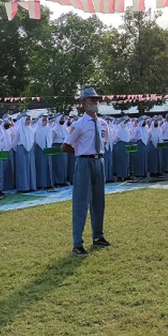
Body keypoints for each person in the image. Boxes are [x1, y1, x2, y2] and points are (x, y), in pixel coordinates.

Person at [62, 87, 110, 257]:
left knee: (99, 201)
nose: (95, 103)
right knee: (81, 202)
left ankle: (98, 236)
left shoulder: (103, 123)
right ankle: (77, 243)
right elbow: (65, 146)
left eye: (97, 100)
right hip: (84, 162)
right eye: (91, 101)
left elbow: (104, 141)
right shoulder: (78, 125)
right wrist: (80, 153)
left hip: (99, 161)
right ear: (83, 104)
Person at [12, 113, 37, 192]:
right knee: (22, 169)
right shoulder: (19, 129)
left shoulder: (31, 129)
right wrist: (19, 150)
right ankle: (23, 187)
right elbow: (14, 143)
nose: (28, 121)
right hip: (21, 149)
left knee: (30, 168)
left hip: (30, 150)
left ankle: (31, 186)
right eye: (27, 119)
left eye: (29, 119)